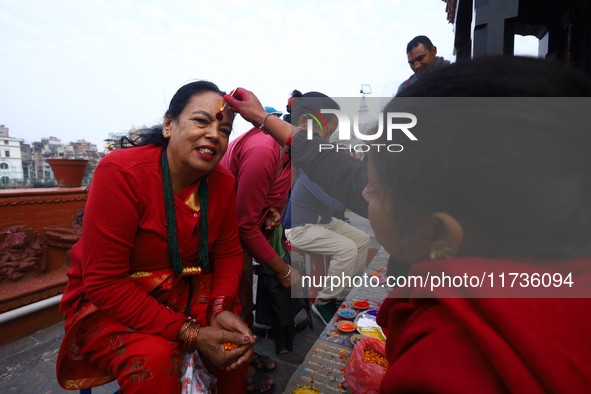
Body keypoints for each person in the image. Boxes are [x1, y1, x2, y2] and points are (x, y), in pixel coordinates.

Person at [223, 56, 591, 393]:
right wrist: (265, 118)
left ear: (437, 234)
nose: (363, 190)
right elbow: (338, 173)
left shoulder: (440, 366)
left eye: (375, 192)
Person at [56, 81, 253, 394]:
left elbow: (229, 253)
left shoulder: (224, 182)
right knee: (155, 361)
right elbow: (105, 282)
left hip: (186, 287)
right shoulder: (121, 172)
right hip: (113, 299)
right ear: (168, 125)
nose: (214, 134)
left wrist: (219, 308)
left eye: (225, 129)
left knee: (232, 346)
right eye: (201, 121)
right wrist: (191, 333)